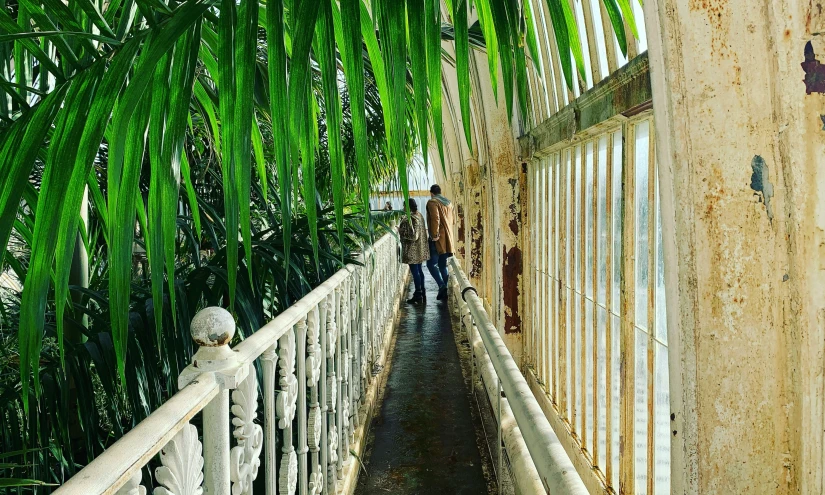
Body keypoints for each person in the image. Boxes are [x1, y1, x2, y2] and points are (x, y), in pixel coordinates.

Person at [426, 184, 454, 301]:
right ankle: (445, 289)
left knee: (431, 264)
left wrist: (434, 235)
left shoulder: (432, 202)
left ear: (431, 193)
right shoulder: (449, 203)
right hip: (448, 239)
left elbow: (435, 218)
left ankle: (442, 285)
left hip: (438, 239)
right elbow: (454, 220)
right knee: (443, 265)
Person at [398, 199, 429, 304]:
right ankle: (422, 291)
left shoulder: (412, 219)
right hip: (420, 249)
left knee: (415, 272)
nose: (403, 208)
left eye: (404, 206)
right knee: (419, 271)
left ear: (408, 207)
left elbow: (414, 236)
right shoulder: (419, 215)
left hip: (412, 250)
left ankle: (418, 294)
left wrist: (402, 232)